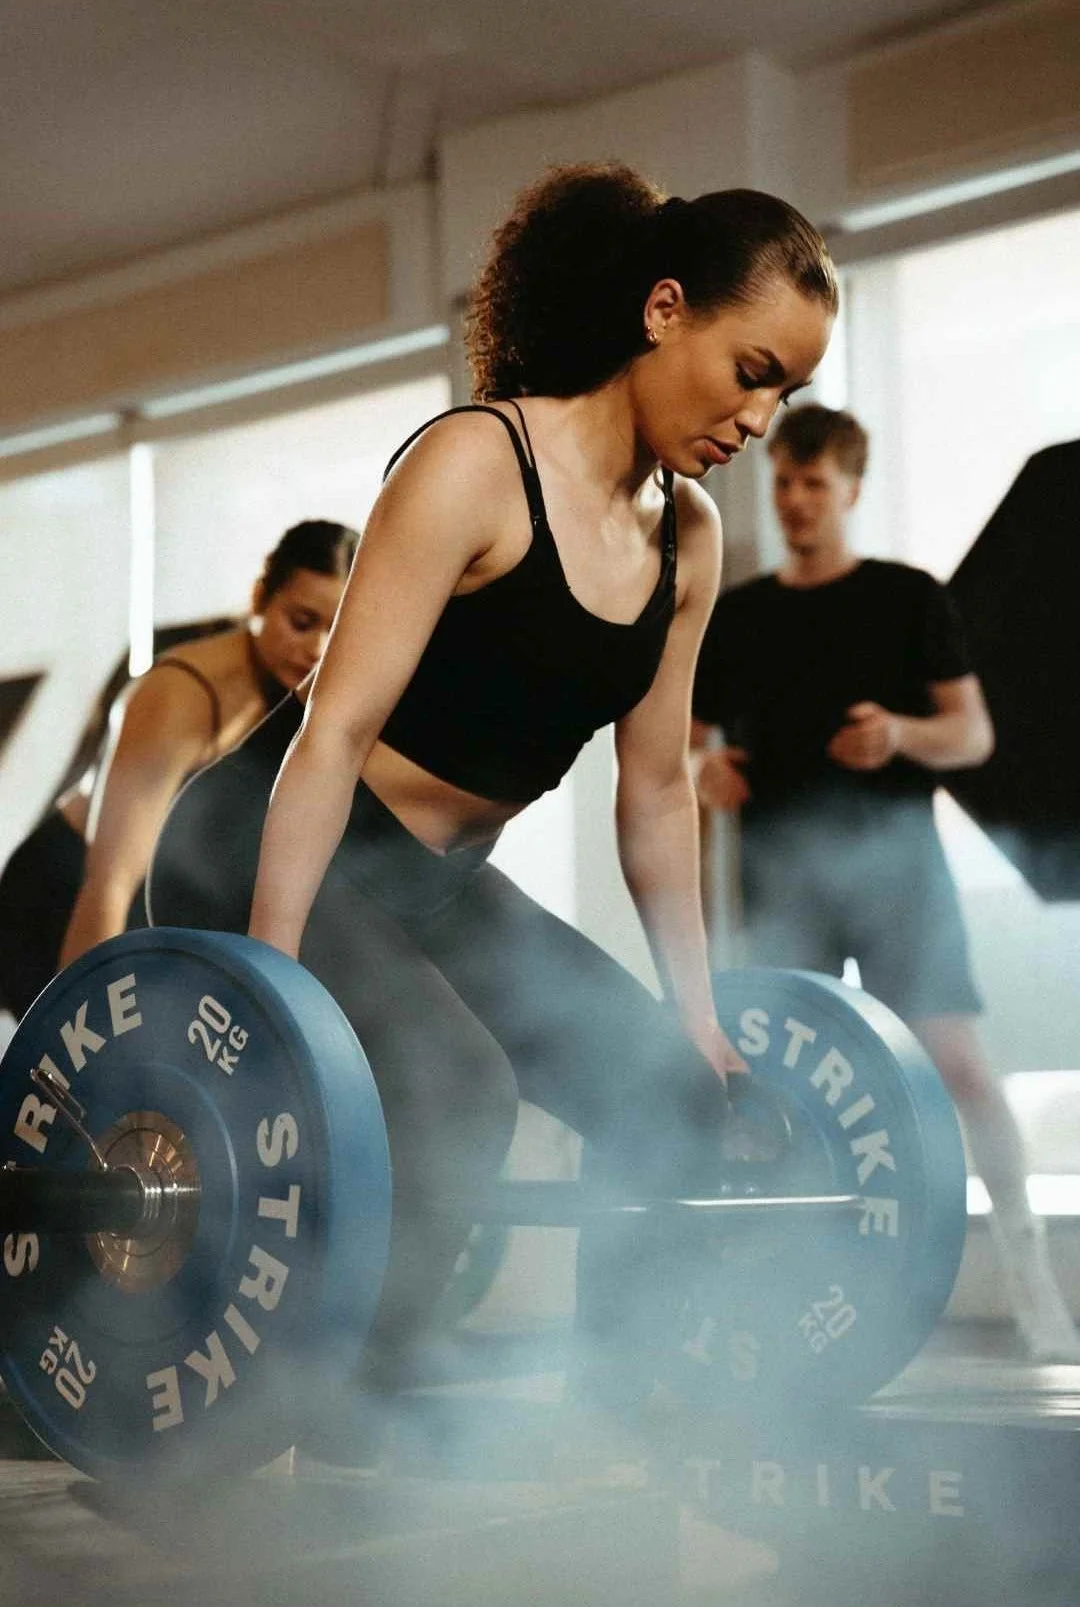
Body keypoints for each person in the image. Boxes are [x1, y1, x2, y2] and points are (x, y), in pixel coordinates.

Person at [148, 162, 836, 1439]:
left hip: (431, 887)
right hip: (262, 841)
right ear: (665, 309)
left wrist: (692, 1010)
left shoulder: (688, 541)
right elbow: (332, 731)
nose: (763, 417)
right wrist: (271, 985)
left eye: (788, 391)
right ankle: (339, 1401)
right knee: (455, 1083)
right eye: (753, 369)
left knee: (672, 1096)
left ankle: (619, 1407)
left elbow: (657, 791)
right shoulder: (479, 459)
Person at [692, 402, 1080, 1362]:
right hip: (781, 876)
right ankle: (797, 1297)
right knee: (779, 1092)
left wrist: (899, 735)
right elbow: (690, 745)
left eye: (815, 484)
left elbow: (974, 735)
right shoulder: (739, 615)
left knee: (956, 1067)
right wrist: (706, 767)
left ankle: (1033, 1282)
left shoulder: (908, 598)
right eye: (784, 481)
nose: (795, 501)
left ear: (852, 489)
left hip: (898, 870)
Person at [0, 519, 355, 1013]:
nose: (316, 648)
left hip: (135, 900)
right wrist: (77, 1039)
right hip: (61, 895)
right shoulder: (178, 696)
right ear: (259, 598)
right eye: (301, 621)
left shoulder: (286, 690)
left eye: (334, 632)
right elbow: (109, 882)